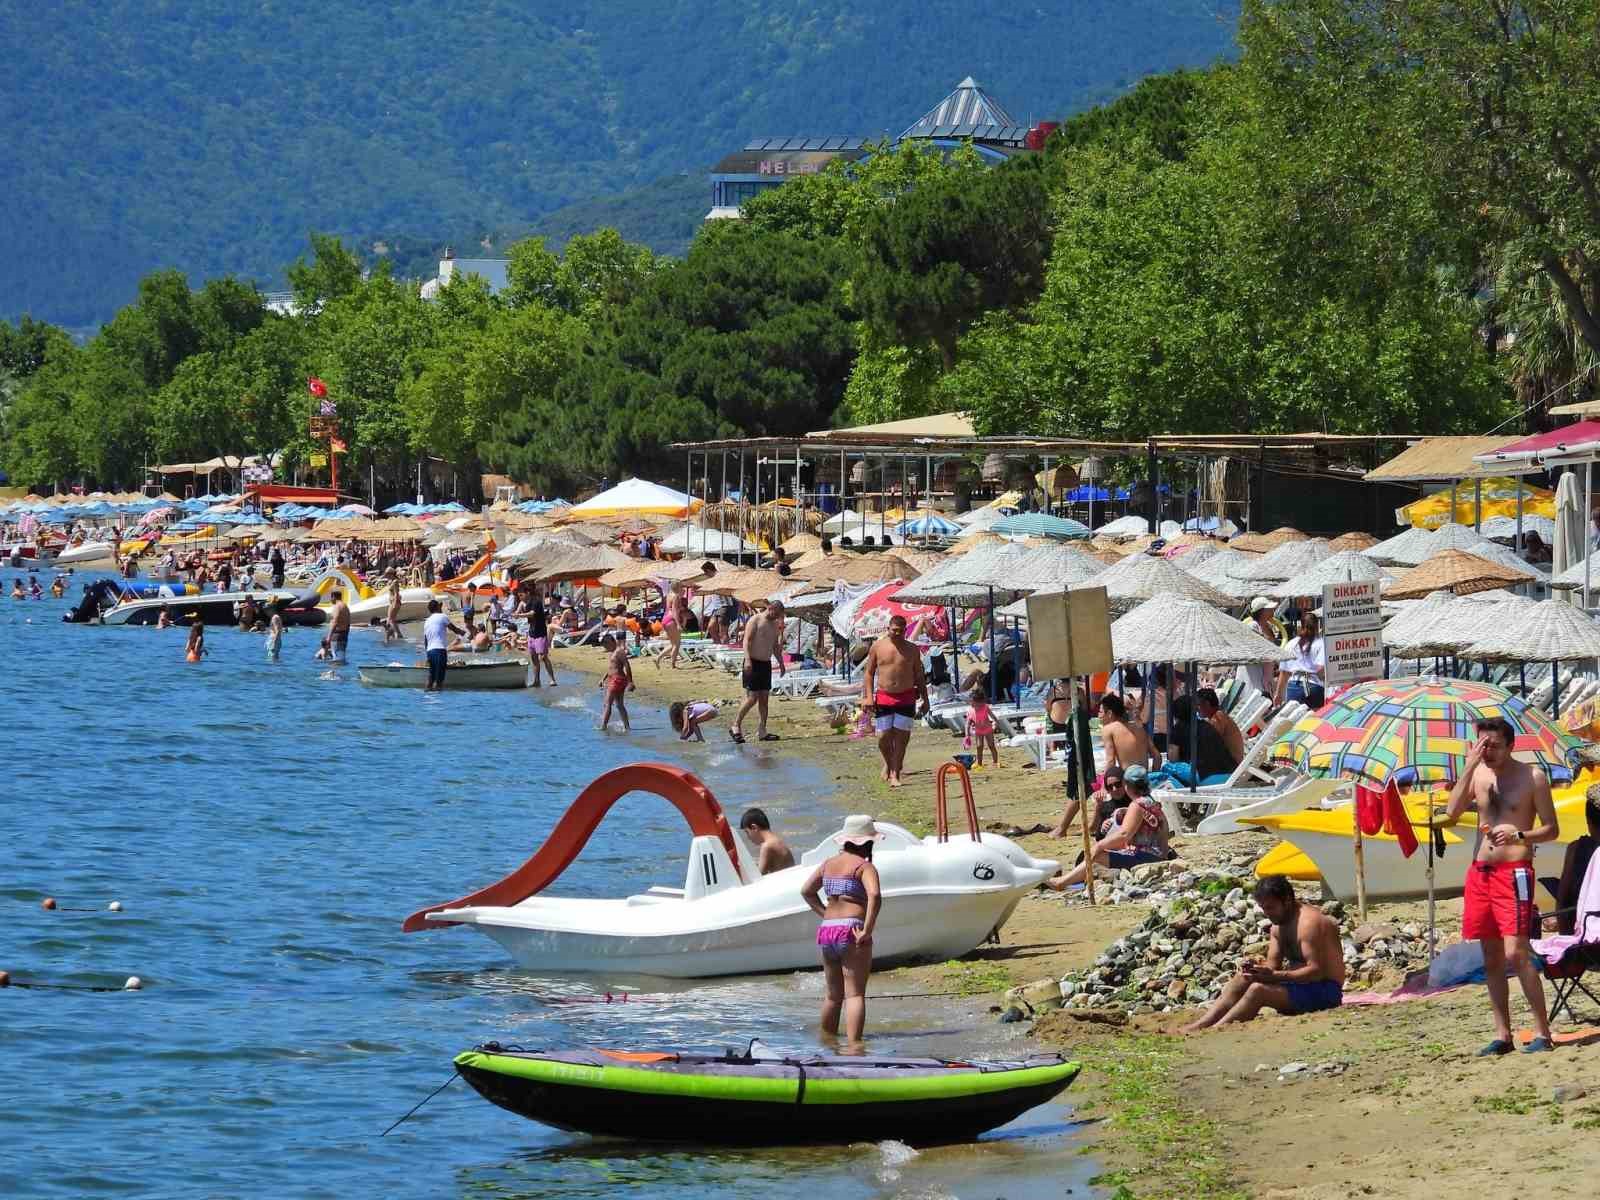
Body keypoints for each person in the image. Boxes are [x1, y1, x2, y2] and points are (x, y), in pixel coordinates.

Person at [1441, 716, 1559, 1055]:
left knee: (1516, 952)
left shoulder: (1531, 777)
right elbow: (1451, 811)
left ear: (1511, 745)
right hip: (1481, 872)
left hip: (1515, 871)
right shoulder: (1477, 773)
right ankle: (1503, 1035)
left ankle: (1542, 1032)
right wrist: (1468, 765)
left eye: (1493, 745)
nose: (1487, 751)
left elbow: (1551, 830)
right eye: (1482, 744)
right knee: (1490, 957)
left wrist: (1519, 833)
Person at [1182, 875, 1346, 1030]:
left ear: (1287, 901)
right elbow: (1273, 965)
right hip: (1299, 985)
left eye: (1271, 907)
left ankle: (1217, 1029)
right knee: (1242, 979)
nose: (1267, 913)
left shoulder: (1309, 924)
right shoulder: (1278, 926)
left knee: (1258, 991)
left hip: (1326, 991)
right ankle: (1199, 1026)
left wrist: (1274, 976)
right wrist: (1257, 969)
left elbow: (1316, 972)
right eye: (1263, 908)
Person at [800, 815, 882, 1044]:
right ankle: (854, 1048)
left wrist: (824, 914)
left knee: (833, 995)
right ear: (867, 842)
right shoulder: (864, 866)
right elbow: (874, 895)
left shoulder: (828, 864)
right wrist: (867, 929)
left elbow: (806, 891)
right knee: (854, 994)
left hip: (827, 930)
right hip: (852, 929)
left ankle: (828, 1043)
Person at [1045, 764, 1171, 889]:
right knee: (1102, 854)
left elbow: (1124, 835)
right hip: (1159, 856)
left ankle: (1061, 883)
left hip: (1149, 858)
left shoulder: (1137, 805)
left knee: (1098, 856)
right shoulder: (1152, 803)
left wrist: (1099, 846)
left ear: (1126, 785)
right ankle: (1065, 880)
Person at [731, 599, 786, 744]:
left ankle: (762, 731)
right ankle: (735, 725)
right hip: (753, 662)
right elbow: (747, 641)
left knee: (764, 699)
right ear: (772, 609)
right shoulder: (755, 620)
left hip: (765, 664)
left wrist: (781, 663)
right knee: (752, 698)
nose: (778, 617)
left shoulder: (775, 625)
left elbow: (775, 646)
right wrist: (748, 660)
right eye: (778, 614)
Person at [1552, 793, 1600, 936]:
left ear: (1588, 821)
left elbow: (1563, 899)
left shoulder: (1577, 849)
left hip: (1584, 932)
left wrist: (1565, 939)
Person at [1166, 694, 1239, 783]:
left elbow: (1173, 758)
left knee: (1168, 767)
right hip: (1230, 775)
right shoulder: (1208, 725)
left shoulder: (1178, 729)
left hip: (1205, 777)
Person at [1051, 764, 1125, 840]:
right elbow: (1097, 833)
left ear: (1124, 783)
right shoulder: (1107, 805)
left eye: (1118, 784)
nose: (1114, 789)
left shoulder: (1134, 802)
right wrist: (1102, 827)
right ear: (1107, 788)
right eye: (1110, 787)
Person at [1274, 611, 1325, 711]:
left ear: (1301, 625)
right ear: (1317, 625)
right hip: (1313, 686)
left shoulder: (1291, 644)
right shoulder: (1321, 643)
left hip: (1294, 686)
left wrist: (1278, 694)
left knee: (1295, 722)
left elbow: (1284, 673)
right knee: (1313, 722)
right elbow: (1320, 670)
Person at [1097, 693, 1153, 771]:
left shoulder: (1108, 729)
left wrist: (1104, 782)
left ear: (1109, 713)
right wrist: (1154, 774)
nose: (1098, 716)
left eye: (1100, 712)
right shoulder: (1139, 728)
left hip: (1128, 779)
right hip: (1144, 778)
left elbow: (1111, 762)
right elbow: (1157, 756)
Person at [421, 598, 465, 692]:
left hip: (430, 651)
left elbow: (426, 640)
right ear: (437, 607)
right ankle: (438, 701)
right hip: (439, 650)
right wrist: (464, 633)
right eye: (439, 606)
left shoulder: (427, 621)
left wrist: (427, 655)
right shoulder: (442, 617)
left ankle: (427, 696)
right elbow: (454, 629)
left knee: (431, 677)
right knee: (439, 679)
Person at [1196, 687, 1245, 764]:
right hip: (1228, 762)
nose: (1196, 709)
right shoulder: (1218, 716)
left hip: (1230, 765)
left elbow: (1207, 742)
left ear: (1207, 704)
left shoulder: (1218, 718)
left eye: (1198, 705)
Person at [739, 807, 795, 874]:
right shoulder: (777, 840)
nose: (748, 837)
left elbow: (759, 876)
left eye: (747, 832)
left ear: (754, 828)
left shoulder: (767, 846)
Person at [598, 632, 635, 732]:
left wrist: (630, 682)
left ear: (612, 642)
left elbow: (627, 665)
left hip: (617, 679)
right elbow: (611, 668)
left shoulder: (619, 651)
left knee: (607, 703)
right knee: (619, 705)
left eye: (606, 645)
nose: (606, 648)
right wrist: (603, 678)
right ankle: (627, 727)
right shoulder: (612, 652)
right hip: (613, 679)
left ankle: (603, 726)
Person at [525, 586, 557, 686]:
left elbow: (532, 614)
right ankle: (536, 681)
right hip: (532, 633)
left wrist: (519, 615)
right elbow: (531, 620)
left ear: (528, 593)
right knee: (534, 658)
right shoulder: (528, 604)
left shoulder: (536, 602)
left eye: (521, 594)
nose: (519, 596)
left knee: (543, 657)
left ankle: (552, 679)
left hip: (540, 633)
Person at [964, 686, 1000, 767]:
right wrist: (967, 735)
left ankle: (995, 762)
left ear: (981, 702)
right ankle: (979, 763)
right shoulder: (970, 711)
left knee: (991, 745)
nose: (972, 704)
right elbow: (967, 724)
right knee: (979, 747)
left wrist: (996, 723)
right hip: (978, 731)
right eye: (971, 703)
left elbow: (993, 716)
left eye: (974, 703)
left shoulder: (985, 707)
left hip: (988, 729)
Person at [655, 582, 687, 670]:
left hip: (665, 619)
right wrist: (678, 624)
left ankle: (658, 658)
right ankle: (673, 665)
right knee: (677, 644)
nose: (682, 588)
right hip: (671, 620)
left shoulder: (669, 595)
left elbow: (670, 609)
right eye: (681, 587)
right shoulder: (676, 596)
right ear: (678, 587)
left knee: (673, 644)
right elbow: (674, 611)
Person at [327, 590, 351, 662]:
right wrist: (346, 634)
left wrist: (329, 637)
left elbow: (335, 621)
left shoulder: (337, 606)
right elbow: (348, 623)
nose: (330, 600)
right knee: (341, 656)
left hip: (337, 635)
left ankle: (335, 672)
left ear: (333, 597)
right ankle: (341, 672)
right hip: (344, 634)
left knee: (335, 657)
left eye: (331, 598)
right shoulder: (345, 606)